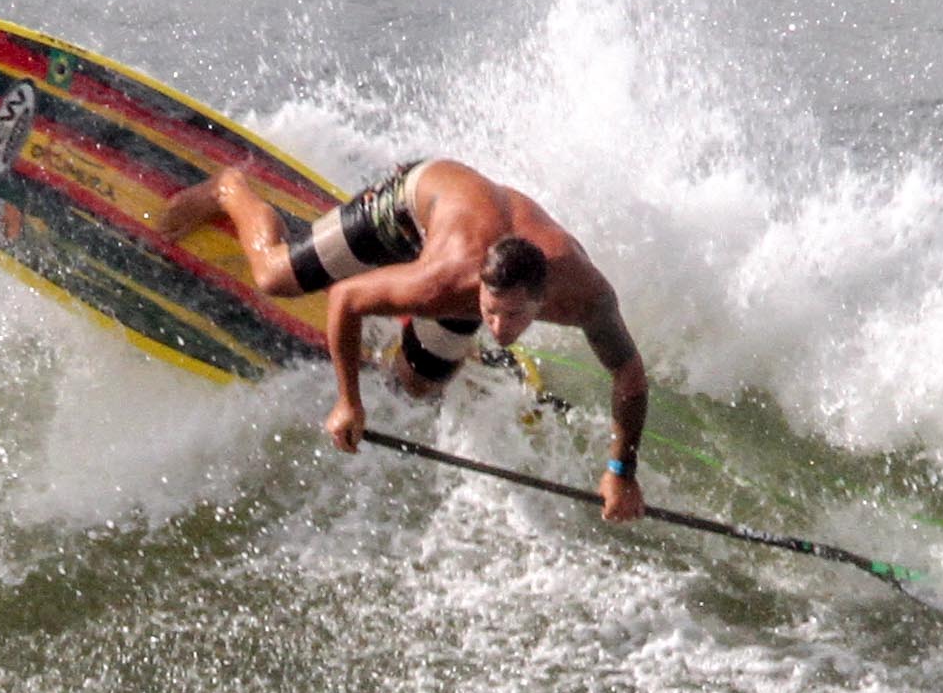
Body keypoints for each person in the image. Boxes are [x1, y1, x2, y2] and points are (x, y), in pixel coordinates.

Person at [151, 153, 654, 522]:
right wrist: (348, 402)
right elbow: (344, 299)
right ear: (480, 286)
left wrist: (621, 471)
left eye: (515, 317)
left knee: (414, 387)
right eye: (492, 313)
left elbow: (629, 374)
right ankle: (228, 189)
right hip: (413, 202)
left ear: (545, 300)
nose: (501, 327)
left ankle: (408, 328)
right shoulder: (446, 284)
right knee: (275, 277)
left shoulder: (588, 298)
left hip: (477, 234)